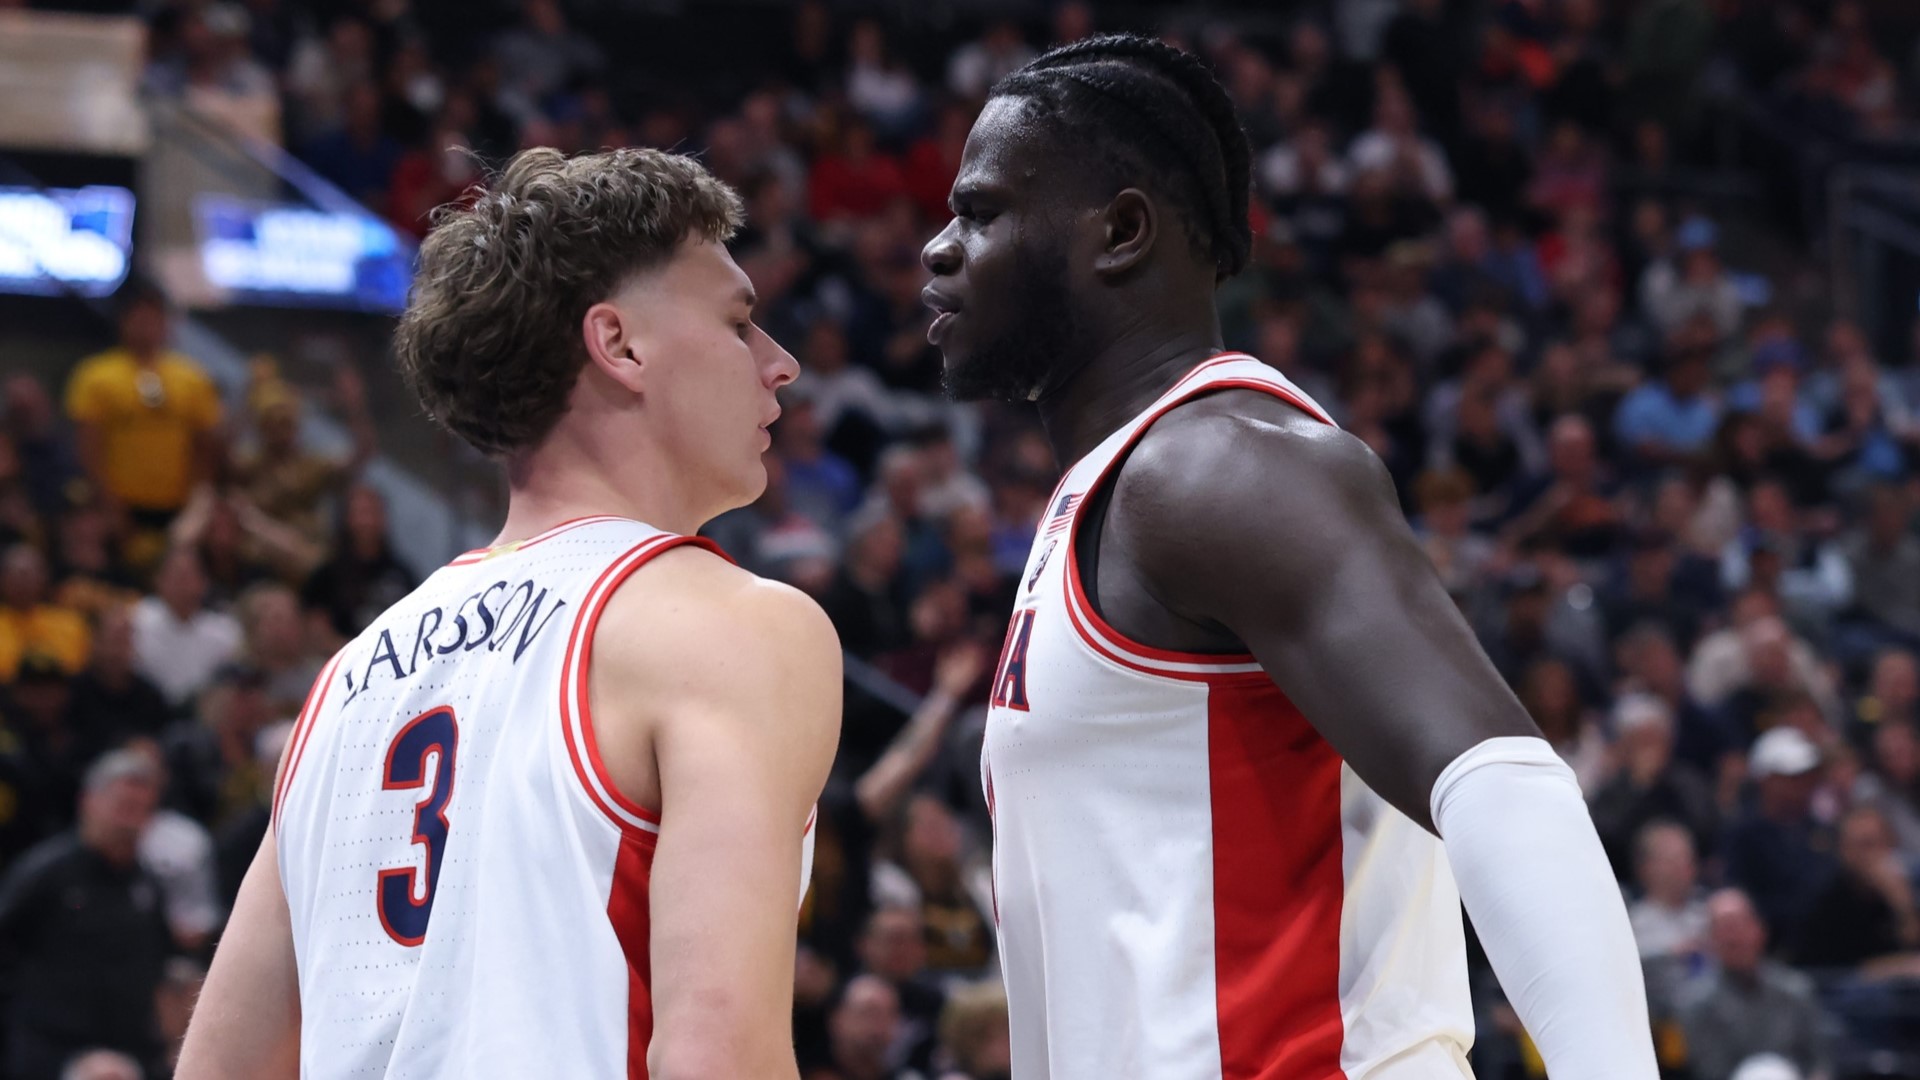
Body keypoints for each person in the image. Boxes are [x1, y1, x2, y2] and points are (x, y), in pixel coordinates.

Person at [919, 34, 1653, 1079]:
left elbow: (1504, 782)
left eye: (981, 212)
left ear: (1121, 232)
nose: (939, 247)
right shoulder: (1119, 486)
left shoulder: (1221, 466)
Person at [179, 148, 842, 1078]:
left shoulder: (348, 678)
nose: (780, 363)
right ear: (620, 345)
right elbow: (717, 1054)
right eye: (738, 323)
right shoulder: (730, 626)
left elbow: (218, 1068)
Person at [0, 750, 174, 1080]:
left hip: (131, 1052)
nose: (131, 822)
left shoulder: (147, 884)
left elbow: (160, 964)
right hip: (49, 1051)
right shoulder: (44, 873)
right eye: (124, 807)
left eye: (143, 810)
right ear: (89, 802)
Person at [63, 285, 223, 568]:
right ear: (123, 322)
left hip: (178, 506)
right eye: (139, 318)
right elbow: (89, 447)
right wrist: (108, 504)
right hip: (118, 505)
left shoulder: (193, 378)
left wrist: (196, 505)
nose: (146, 326)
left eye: (154, 318)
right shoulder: (96, 376)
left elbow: (205, 446)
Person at [1676, 889, 1831, 1080]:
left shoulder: (1795, 989)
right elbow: (1709, 1070)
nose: (1734, 937)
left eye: (1739, 925)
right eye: (1724, 928)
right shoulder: (1695, 1003)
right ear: (1710, 940)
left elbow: (1819, 1059)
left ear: (1760, 930)